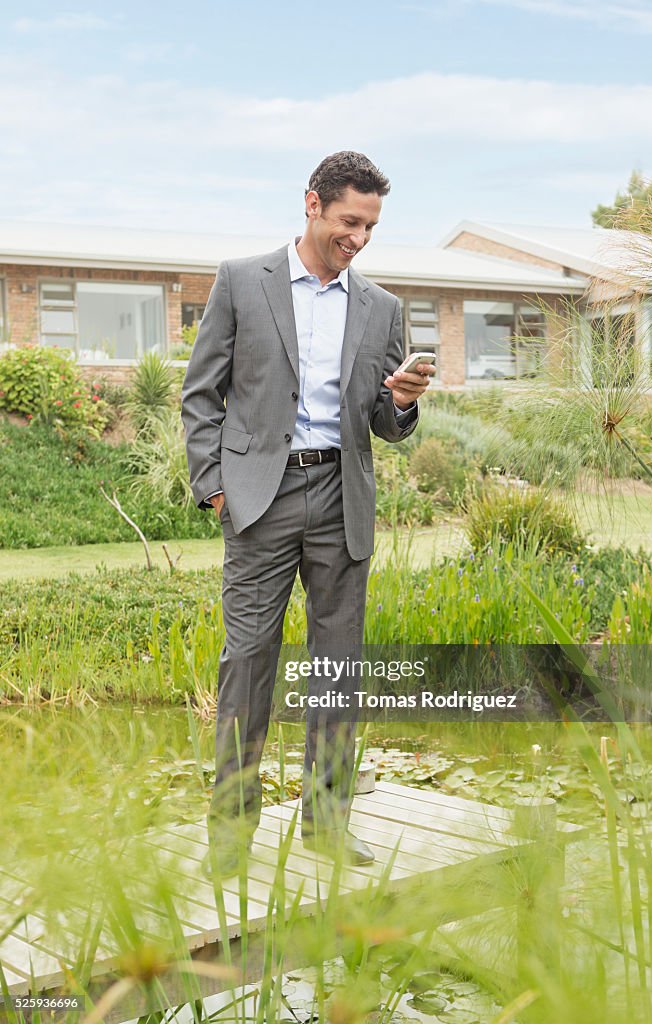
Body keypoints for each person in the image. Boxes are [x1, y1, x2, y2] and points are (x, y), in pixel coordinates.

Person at [181, 151, 434, 878]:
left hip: (340, 500)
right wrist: (216, 488)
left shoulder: (382, 307)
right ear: (312, 205)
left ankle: (326, 822)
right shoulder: (241, 281)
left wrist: (405, 402)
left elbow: (384, 421)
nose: (359, 237)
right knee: (247, 663)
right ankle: (231, 833)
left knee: (336, 669)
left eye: (371, 226)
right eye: (350, 221)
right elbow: (202, 395)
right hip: (259, 499)